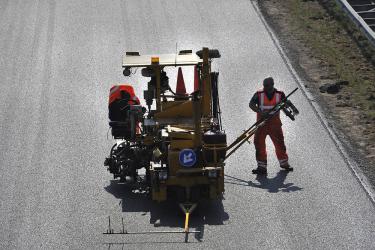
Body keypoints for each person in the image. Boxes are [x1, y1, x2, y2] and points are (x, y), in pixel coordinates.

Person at [249, 77, 292, 175]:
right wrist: (260, 111)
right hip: (261, 123)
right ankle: (262, 167)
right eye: (264, 85)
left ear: (272, 84)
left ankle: (284, 163)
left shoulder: (280, 94)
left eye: (267, 85)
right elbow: (251, 104)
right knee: (259, 144)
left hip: (275, 124)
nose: (265, 87)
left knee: (280, 143)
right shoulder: (258, 94)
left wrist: (287, 109)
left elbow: (285, 105)